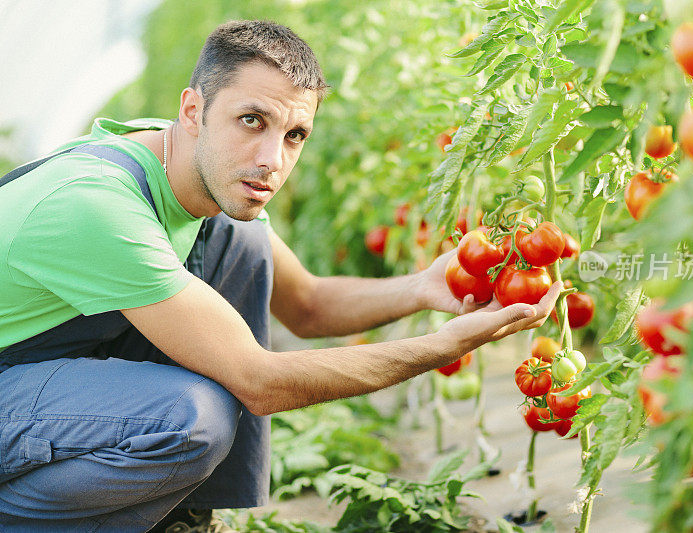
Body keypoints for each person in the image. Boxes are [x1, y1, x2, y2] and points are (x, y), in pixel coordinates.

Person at [0, 19, 562, 532]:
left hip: (30, 366)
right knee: (191, 419)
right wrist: (441, 346)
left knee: (240, 237)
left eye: (294, 135)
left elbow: (308, 305)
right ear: (193, 110)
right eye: (252, 120)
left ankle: (183, 518)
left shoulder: (187, 160)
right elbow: (260, 382)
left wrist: (423, 287)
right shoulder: (99, 207)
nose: (272, 158)